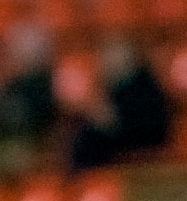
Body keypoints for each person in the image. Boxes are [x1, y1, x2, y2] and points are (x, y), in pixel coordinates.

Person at [69, 38, 175, 173]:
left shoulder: (144, 86)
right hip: (122, 140)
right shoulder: (117, 86)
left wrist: (105, 116)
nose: (105, 63)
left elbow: (143, 125)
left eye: (110, 57)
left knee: (90, 140)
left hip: (141, 142)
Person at [0, 21, 61, 180]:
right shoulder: (0, 87)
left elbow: (49, 125)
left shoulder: (45, 87)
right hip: (1, 150)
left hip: (38, 150)